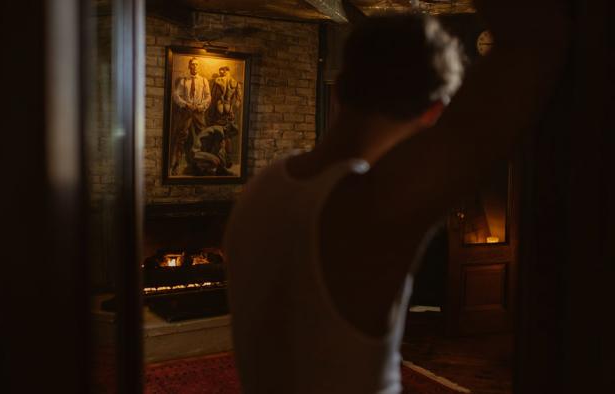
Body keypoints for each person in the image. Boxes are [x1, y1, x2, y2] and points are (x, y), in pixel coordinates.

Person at [224, 2, 569, 393]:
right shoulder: (374, 206)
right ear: (434, 112)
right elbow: (537, 40)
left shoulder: (262, 187)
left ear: (342, 87)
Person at [170, 57, 211, 175]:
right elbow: (176, 95)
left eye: (197, 64)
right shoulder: (184, 80)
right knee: (181, 137)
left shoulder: (203, 81)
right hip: (186, 112)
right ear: (189, 66)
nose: (195, 66)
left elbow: (208, 97)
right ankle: (176, 165)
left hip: (199, 112)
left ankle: (202, 166)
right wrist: (186, 104)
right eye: (192, 64)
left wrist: (200, 107)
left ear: (199, 66)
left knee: (202, 137)